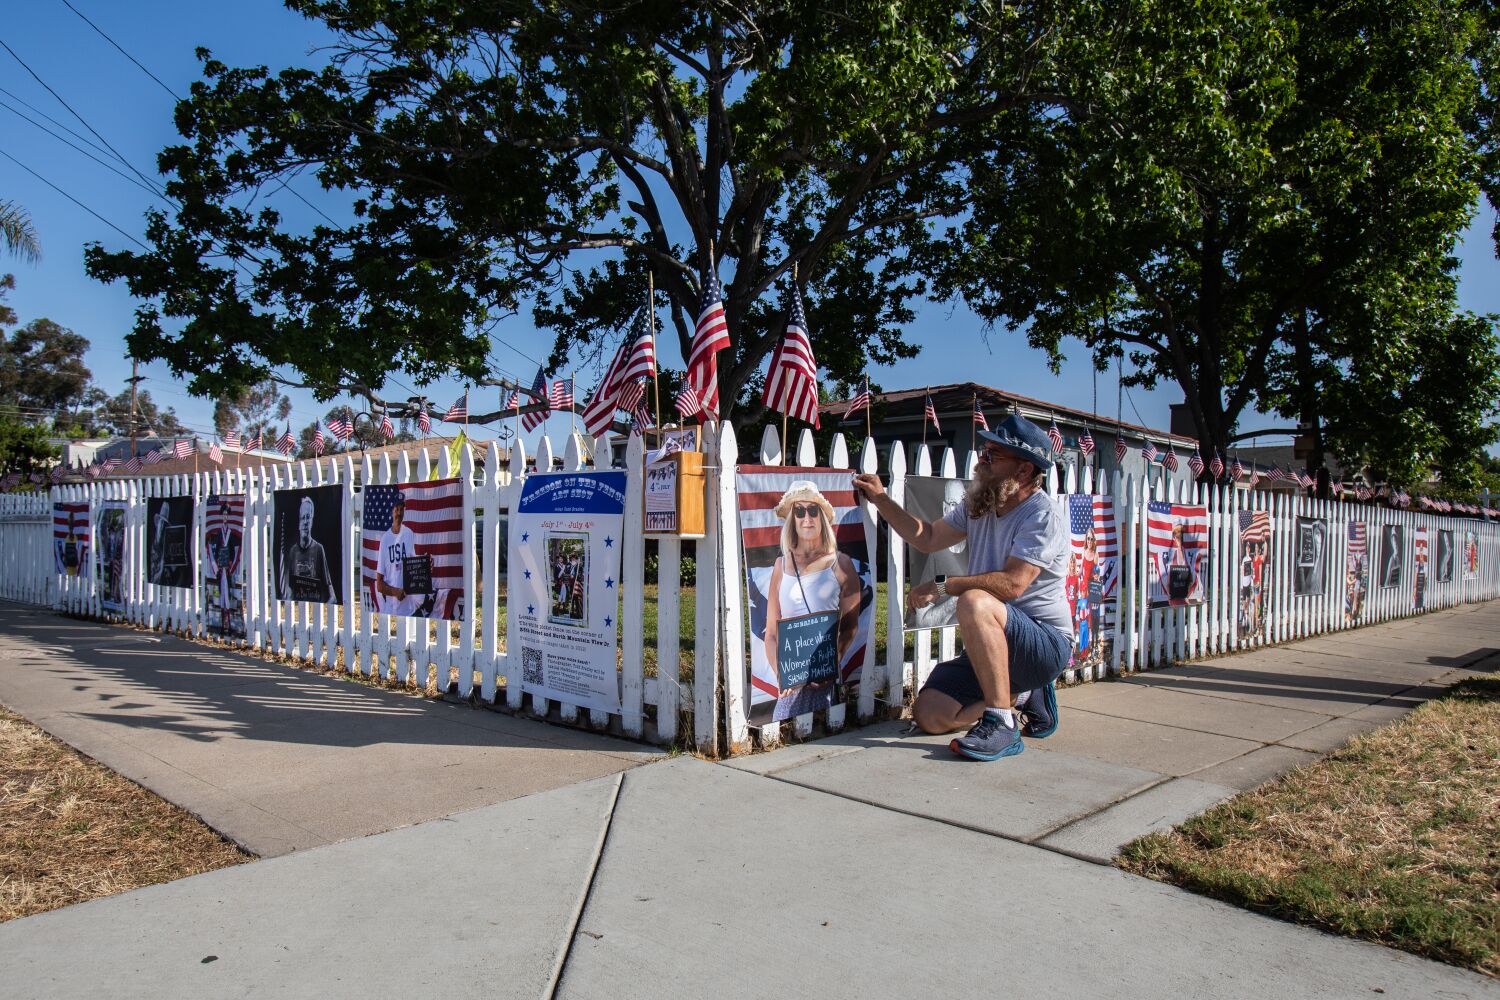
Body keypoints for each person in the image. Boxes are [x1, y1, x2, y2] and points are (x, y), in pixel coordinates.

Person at [852, 412, 1073, 762]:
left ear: (1024, 470)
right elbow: (928, 538)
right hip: (994, 645)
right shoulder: (981, 504)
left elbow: (1013, 584)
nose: (982, 460)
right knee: (931, 714)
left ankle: (1002, 724)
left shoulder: (1042, 516)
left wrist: (944, 586)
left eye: (994, 456)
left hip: (1043, 643)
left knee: (974, 600)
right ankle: (1020, 697)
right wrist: (881, 499)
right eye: (985, 451)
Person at [763, 481, 862, 721]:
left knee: (825, 732)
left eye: (813, 510)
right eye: (799, 511)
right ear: (792, 520)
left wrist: (832, 661)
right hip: (790, 685)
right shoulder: (780, 566)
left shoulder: (841, 564)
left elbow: (850, 626)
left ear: (822, 518)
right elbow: (772, 634)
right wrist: (781, 674)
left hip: (823, 680)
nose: (806, 517)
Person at [280, 494, 336, 603]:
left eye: (308, 517)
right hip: (296, 611)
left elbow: (332, 595)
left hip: (316, 609)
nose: (305, 522)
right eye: (302, 517)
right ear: (299, 522)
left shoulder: (319, 549)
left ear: (312, 520)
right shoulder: (293, 551)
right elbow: (289, 589)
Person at [375, 494, 424, 617]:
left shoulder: (409, 534)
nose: (399, 513)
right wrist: (395, 592)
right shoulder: (385, 539)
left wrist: (426, 566)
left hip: (409, 609)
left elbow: (414, 568)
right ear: (392, 511)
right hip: (391, 611)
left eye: (402, 509)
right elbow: (379, 585)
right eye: (396, 509)